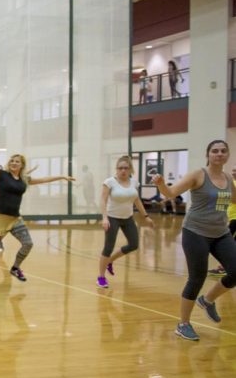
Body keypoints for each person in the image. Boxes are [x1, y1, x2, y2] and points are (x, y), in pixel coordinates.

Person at [152, 140, 236, 341]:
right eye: (215, 151)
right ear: (208, 155)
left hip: (221, 232)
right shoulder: (198, 175)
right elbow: (171, 193)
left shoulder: (227, 178)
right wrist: (161, 184)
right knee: (196, 278)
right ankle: (183, 324)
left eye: (223, 151)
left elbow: (234, 199)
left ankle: (207, 300)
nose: (219, 154)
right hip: (195, 232)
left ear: (228, 155)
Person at [0, 153, 75, 289]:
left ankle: (15, 268)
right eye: (12, 161)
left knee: (28, 243)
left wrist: (62, 177)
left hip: (14, 219)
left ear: (22, 165)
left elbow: (43, 179)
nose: (13, 163)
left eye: (17, 161)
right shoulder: (1, 174)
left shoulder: (24, 179)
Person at [97, 156, 154, 288]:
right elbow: (103, 200)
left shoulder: (134, 182)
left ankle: (110, 261)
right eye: (120, 168)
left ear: (130, 169)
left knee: (134, 244)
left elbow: (137, 200)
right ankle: (101, 277)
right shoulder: (110, 182)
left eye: (126, 168)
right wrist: (104, 218)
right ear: (116, 169)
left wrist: (145, 216)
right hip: (112, 218)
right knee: (108, 247)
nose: (123, 170)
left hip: (128, 218)